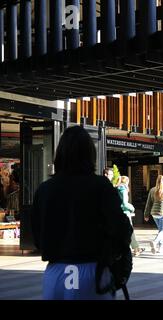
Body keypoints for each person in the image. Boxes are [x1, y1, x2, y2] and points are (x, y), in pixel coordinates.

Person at [31, 126, 132, 300]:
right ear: (89, 154)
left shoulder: (45, 189)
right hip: (91, 270)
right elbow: (121, 229)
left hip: (55, 272)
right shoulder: (100, 186)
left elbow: (37, 236)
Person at [117, 176, 145, 257]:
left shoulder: (116, 189)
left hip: (118, 213)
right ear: (127, 182)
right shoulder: (123, 189)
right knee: (130, 231)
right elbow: (125, 203)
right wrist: (132, 208)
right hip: (125, 213)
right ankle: (136, 249)